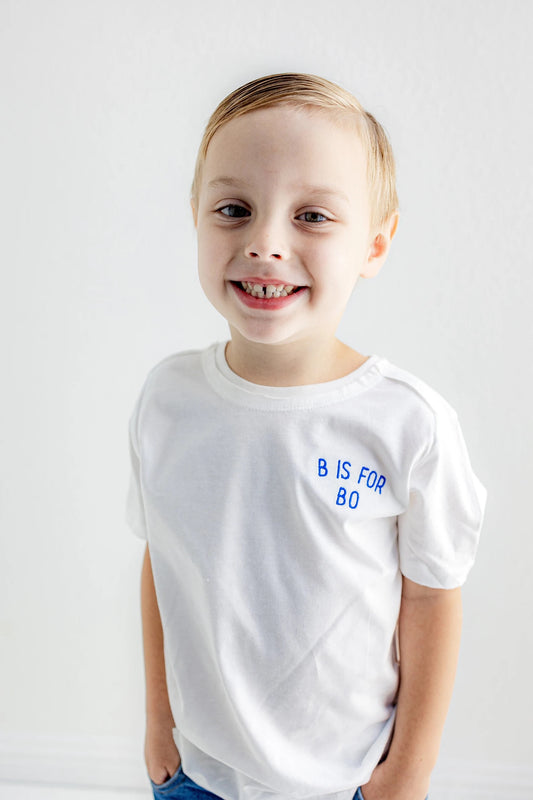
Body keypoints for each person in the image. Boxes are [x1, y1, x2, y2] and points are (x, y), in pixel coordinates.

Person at [126, 73, 486, 800]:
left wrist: (408, 772)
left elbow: (431, 600)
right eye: (233, 209)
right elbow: (162, 562)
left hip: (346, 781)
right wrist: (159, 719)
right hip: (197, 774)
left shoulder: (407, 424)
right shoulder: (167, 401)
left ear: (374, 245)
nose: (264, 244)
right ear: (196, 219)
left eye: (312, 217)